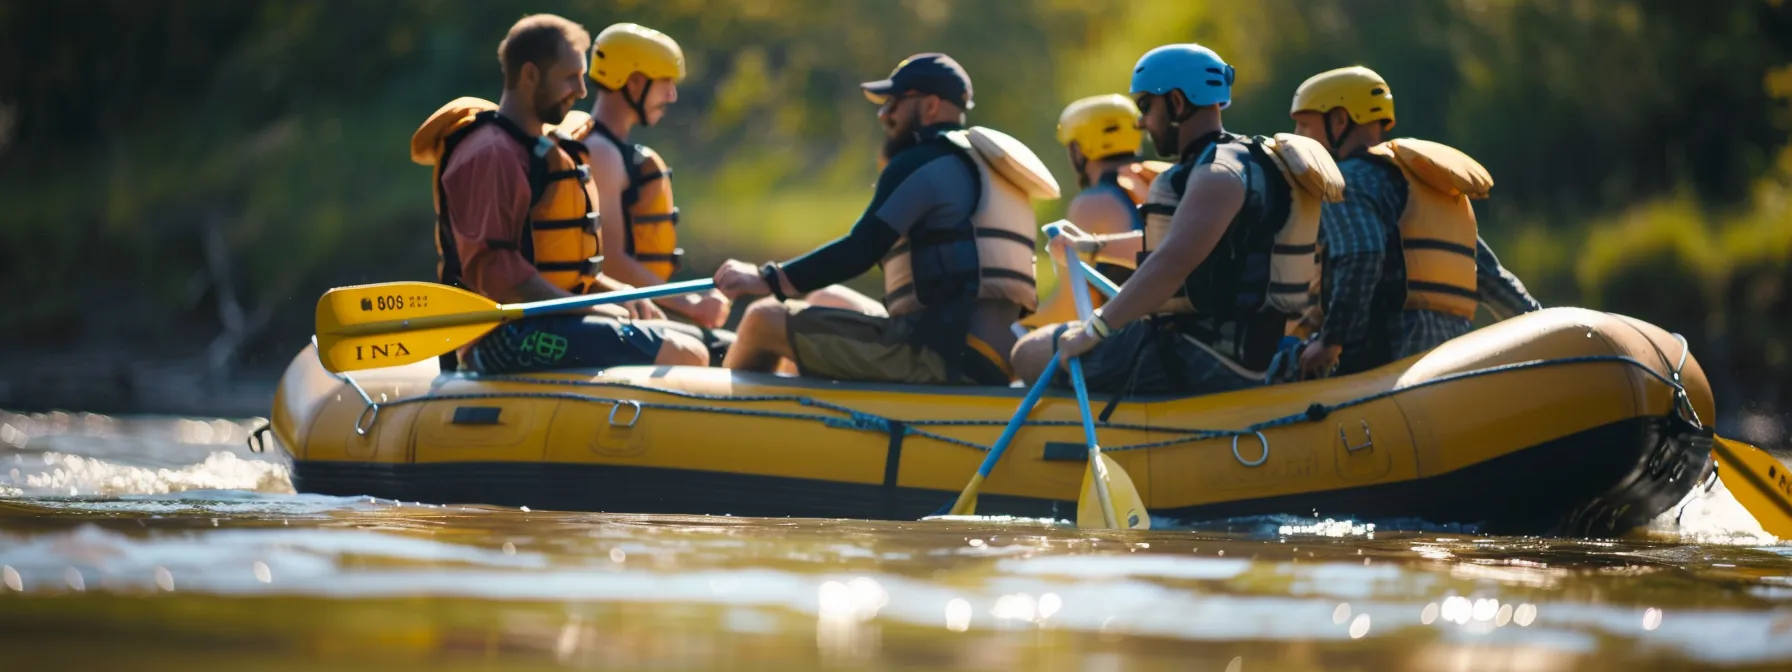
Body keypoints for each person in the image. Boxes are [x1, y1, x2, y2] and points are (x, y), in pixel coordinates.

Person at [1010, 44, 1344, 396]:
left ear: (1178, 103)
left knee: (1029, 353)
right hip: (1242, 349)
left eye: (1145, 106)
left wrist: (1094, 330)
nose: (1141, 122)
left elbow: (1172, 263)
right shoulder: (1245, 160)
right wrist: (1091, 246)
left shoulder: (1216, 173)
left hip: (1197, 354)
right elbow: (1186, 243)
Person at [712, 53, 1059, 384]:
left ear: (930, 105)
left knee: (763, 319)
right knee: (826, 298)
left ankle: (720, 422)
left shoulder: (921, 161)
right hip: (994, 356)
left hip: (940, 356)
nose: (885, 115)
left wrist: (767, 279)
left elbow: (860, 249)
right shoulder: (988, 169)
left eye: (894, 102)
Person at [409, 14, 708, 374]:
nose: (582, 91)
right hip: (499, 338)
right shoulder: (490, 153)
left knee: (706, 344)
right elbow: (499, 277)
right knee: (684, 353)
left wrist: (622, 297)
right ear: (530, 75)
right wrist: (592, 308)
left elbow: (560, 271)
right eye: (570, 78)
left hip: (543, 320)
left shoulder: (541, 149)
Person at [1288, 66, 1541, 377]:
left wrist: (1331, 341)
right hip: (1458, 357)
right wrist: (1546, 327)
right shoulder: (1424, 181)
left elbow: (1362, 255)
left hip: (1392, 359)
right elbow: (1491, 277)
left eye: (1303, 125)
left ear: (1339, 120)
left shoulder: (1345, 183)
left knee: (1282, 361)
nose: (1298, 138)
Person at [567, 23, 734, 363]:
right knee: (727, 351)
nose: (672, 96)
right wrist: (690, 303)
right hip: (608, 311)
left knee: (730, 345)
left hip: (632, 306)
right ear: (635, 82)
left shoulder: (613, 148)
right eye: (666, 83)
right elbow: (610, 260)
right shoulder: (600, 151)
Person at [1024, 94, 1169, 328]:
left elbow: (1070, 307)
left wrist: (1022, 323)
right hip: (1172, 322)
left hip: (1130, 333)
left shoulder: (1092, 203)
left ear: (1079, 150)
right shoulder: (1161, 180)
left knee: (1022, 350)